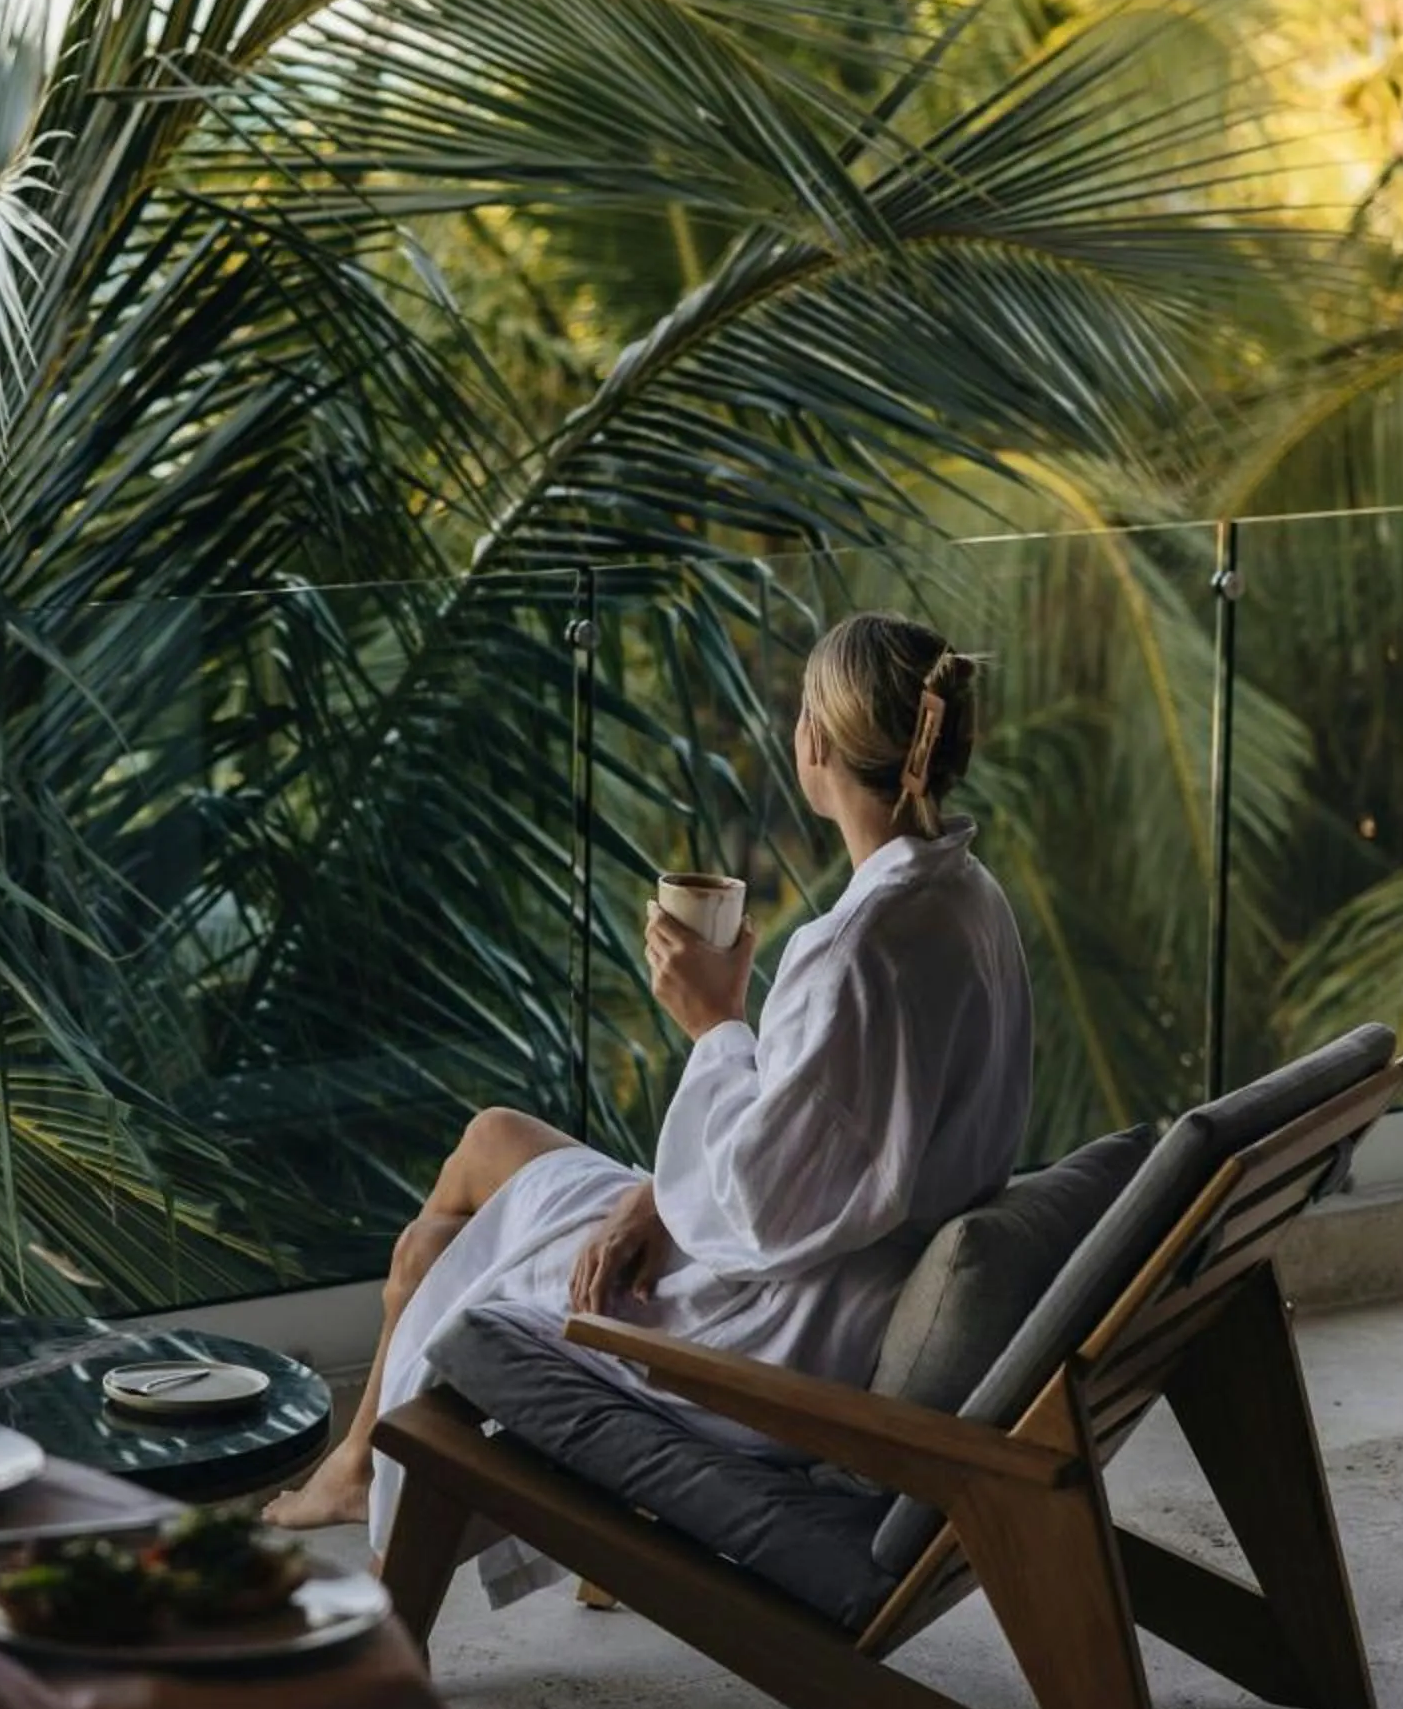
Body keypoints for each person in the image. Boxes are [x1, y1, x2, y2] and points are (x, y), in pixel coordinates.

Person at [263, 611, 1032, 1555]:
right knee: (494, 1139)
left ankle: (374, 1502)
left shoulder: (854, 953)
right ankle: (358, 1470)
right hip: (834, 1272)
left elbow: (759, 1206)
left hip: (769, 1333)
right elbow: (825, 1157)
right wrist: (660, 1194)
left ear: (817, 743)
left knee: (433, 1251)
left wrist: (714, 1022)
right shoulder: (966, 900)